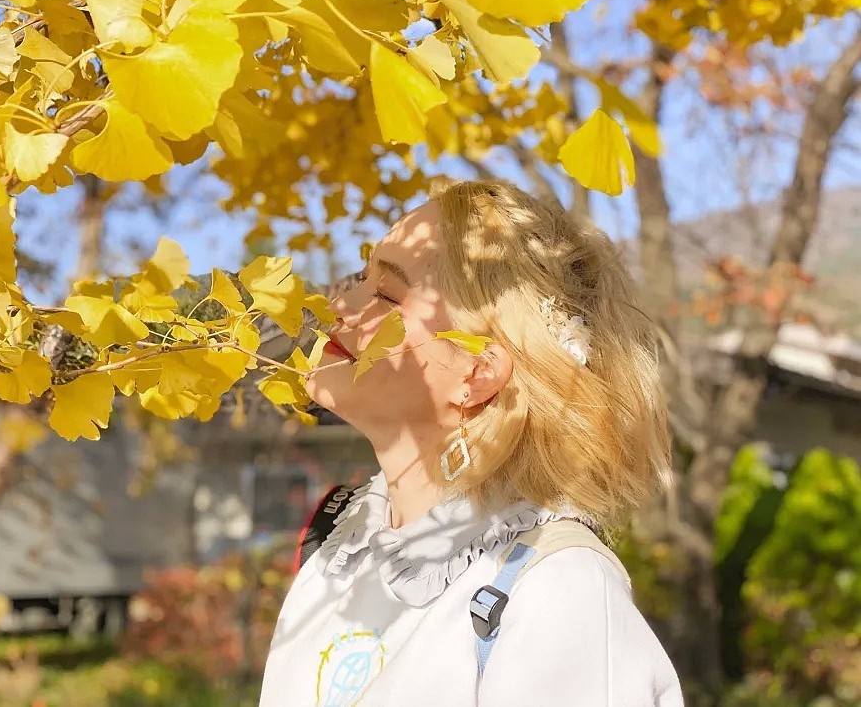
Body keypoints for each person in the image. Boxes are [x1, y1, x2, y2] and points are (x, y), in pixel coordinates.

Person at [259, 180, 684, 706]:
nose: (339, 305)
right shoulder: (337, 545)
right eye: (359, 277)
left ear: (478, 372)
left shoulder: (558, 590)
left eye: (386, 294)